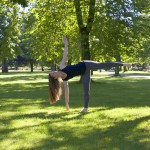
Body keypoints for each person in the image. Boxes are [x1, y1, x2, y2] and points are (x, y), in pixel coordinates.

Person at [48, 36, 131, 113]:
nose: (54, 71)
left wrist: (66, 44)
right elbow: (67, 92)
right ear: (55, 77)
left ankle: (124, 64)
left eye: (53, 71)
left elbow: (65, 55)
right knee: (86, 90)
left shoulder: (62, 66)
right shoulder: (65, 80)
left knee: (103, 65)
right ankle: (85, 108)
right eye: (53, 73)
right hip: (85, 73)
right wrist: (67, 104)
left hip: (86, 64)